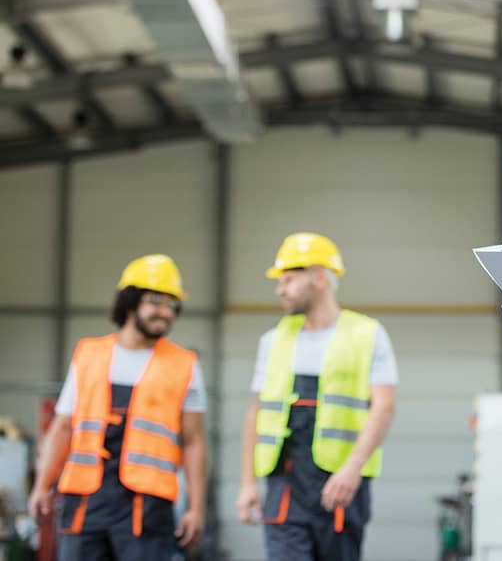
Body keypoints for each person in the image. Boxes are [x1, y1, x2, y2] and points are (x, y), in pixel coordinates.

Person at [28, 254, 207, 560]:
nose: (165, 312)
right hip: (85, 502)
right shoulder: (88, 355)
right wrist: (42, 486)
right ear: (130, 301)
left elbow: (193, 442)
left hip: (146, 509)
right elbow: (63, 427)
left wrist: (196, 508)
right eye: (156, 301)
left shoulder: (185, 365)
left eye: (172, 305)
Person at [236, 232, 398, 561]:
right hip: (284, 484)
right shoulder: (274, 340)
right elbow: (256, 411)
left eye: (289, 280)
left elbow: (383, 407)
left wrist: (352, 469)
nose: (280, 289)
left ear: (319, 278)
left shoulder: (367, 335)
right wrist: (247, 483)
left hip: (339, 485)